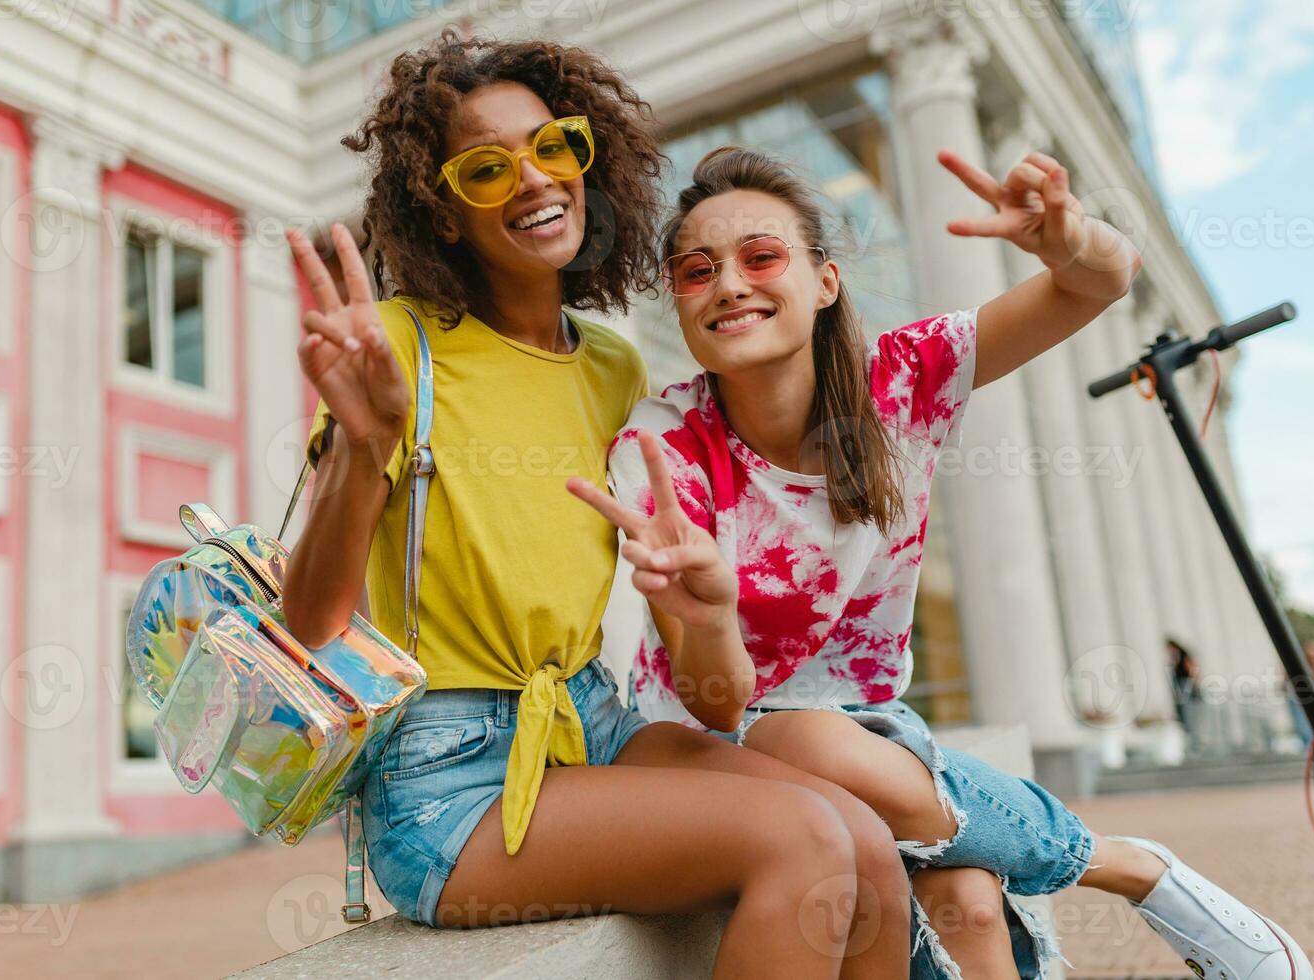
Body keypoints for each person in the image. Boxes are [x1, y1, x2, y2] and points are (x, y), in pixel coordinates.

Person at [281, 32, 947, 979]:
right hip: (449, 779)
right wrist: (365, 442)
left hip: (594, 724)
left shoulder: (611, 365)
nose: (531, 179)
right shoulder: (393, 347)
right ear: (440, 211)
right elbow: (310, 623)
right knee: (800, 841)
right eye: (485, 167)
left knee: (867, 845)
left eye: (553, 147)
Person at [570, 146, 1314, 979]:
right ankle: (1123, 865)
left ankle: (1095, 862)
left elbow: (1102, 281)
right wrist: (707, 617)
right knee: (819, 748)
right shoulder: (661, 447)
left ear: (825, 280)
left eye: (762, 256)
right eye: (696, 271)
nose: (730, 285)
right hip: (716, 742)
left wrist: (1071, 242)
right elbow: (717, 704)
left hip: (874, 734)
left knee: (966, 894)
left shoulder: (901, 379)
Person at [1167, 637, 1204, 752]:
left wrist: (1194, 686)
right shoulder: (1175, 659)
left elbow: (1193, 670)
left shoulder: (1183, 656)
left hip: (1186, 688)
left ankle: (1195, 744)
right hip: (1181, 691)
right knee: (1184, 717)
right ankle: (1191, 743)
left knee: (1190, 717)